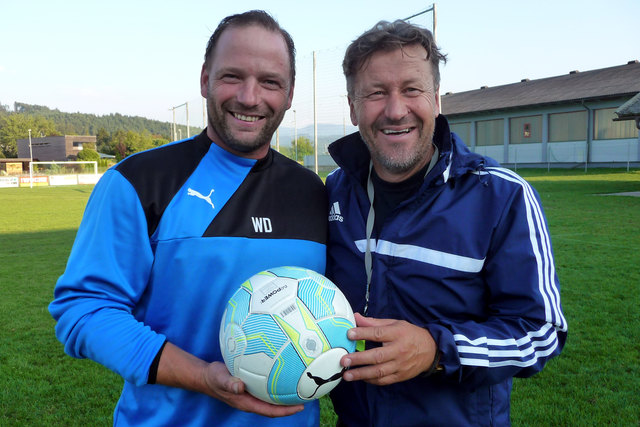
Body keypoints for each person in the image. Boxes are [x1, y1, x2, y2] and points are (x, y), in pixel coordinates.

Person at [49, 10, 327, 426]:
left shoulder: (313, 192)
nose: (250, 97)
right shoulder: (137, 182)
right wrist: (202, 377)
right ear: (204, 80)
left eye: (270, 82)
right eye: (233, 76)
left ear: (288, 95)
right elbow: (84, 309)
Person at [325, 20, 567, 426]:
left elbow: (541, 334)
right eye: (376, 93)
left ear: (436, 99)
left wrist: (437, 350)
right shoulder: (335, 191)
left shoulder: (502, 196)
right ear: (352, 107)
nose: (395, 109)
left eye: (412, 89)